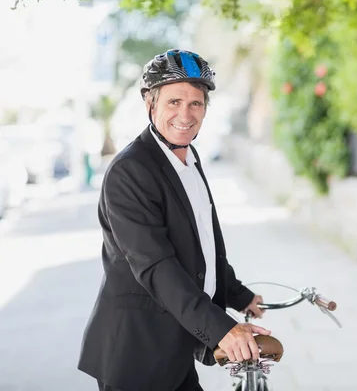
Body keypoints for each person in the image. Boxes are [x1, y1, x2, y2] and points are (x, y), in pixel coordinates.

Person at [78, 49, 271, 391]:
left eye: (196, 103)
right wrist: (222, 329)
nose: (186, 114)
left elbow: (202, 247)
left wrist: (240, 296)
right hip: (137, 355)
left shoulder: (188, 159)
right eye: (173, 102)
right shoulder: (131, 171)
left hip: (174, 347)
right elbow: (156, 266)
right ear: (150, 105)